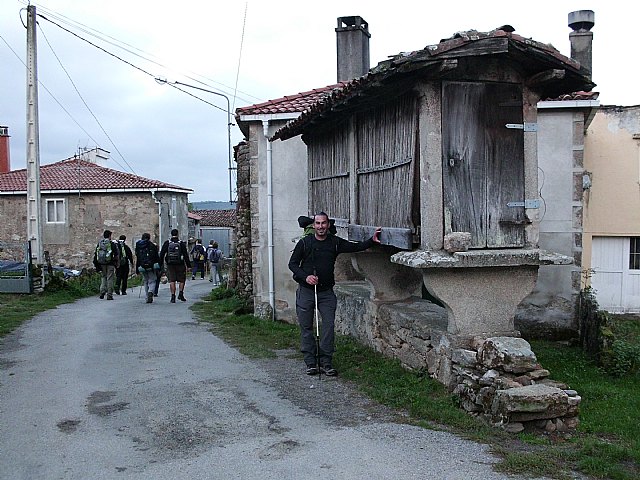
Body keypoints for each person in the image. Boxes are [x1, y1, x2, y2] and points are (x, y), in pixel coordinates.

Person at [288, 212, 381, 376]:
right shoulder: (305, 243)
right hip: (306, 292)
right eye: (318, 224)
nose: (321, 227)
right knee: (306, 327)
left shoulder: (334, 243)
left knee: (329, 327)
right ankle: (310, 362)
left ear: (328, 225)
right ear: (313, 225)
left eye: (324, 223)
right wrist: (306, 277)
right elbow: (293, 264)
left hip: (326, 293)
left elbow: (355, 247)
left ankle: (326, 362)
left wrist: (371, 240)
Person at [159, 228, 191, 303]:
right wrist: (189, 265)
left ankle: (173, 296)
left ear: (171, 234)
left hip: (170, 264)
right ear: (178, 234)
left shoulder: (167, 243)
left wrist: (160, 265)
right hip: (180, 264)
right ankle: (181, 294)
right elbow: (186, 255)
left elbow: (162, 254)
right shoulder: (181, 243)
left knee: (172, 280)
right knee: (182, 280)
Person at [93, 229, 120, 300]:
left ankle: (102, 291)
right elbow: (116, 254)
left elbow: (96, 254)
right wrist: (117, 263)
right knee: (110, 278)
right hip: (110, 264)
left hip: (101, 263)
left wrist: (96, 264)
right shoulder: (112, 244)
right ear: (109, 236)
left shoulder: (100, 244)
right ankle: (109, 294)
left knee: (103, 277)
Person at [135, 233, 160, 304]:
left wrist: (137, 268)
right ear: (149, 238)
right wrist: (159, 266)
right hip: (151, 266)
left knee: (145, 281)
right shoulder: (152, 245)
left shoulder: (138, 246)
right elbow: (156, 257)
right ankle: (151, 292)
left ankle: (147, 296)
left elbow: (138, 257)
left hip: (142, 265)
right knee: (152, 280)